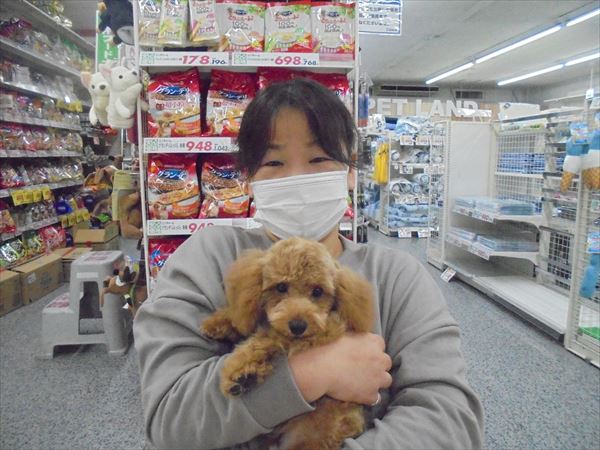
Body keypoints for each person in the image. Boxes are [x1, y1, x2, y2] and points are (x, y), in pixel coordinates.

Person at [133, 78, 484, 449]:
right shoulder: (207, 257)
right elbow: (170, 416)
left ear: (351, 170)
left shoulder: (398, 277)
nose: (296, 177)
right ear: (249, 179)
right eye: (274, 162)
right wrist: (312, 373)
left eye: (318, 159)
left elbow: (451, 422)